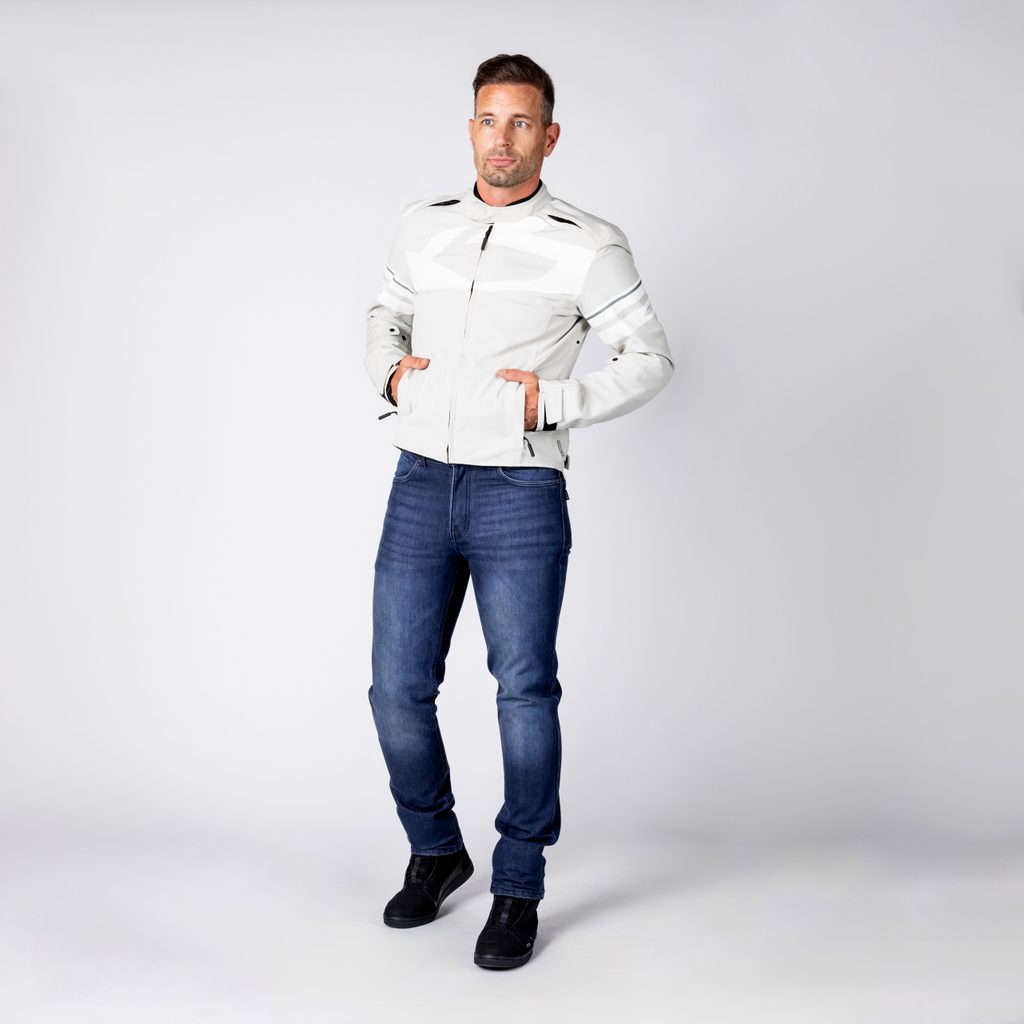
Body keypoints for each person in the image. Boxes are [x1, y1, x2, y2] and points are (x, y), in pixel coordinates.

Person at [364, 54, 674, 969]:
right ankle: (435, 849)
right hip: (421, 480)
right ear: (472, 128)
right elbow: (384, 313)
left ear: (550, 136)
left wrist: (553, 403)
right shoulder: (423, 226)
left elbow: (650, 359)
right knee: (395, 688)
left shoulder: (589, 243)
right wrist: (390, 375)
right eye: (489, 120)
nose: (503, 139)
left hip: (520, 491)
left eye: (521, 123)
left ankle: (518, 885)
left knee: (524, 690)